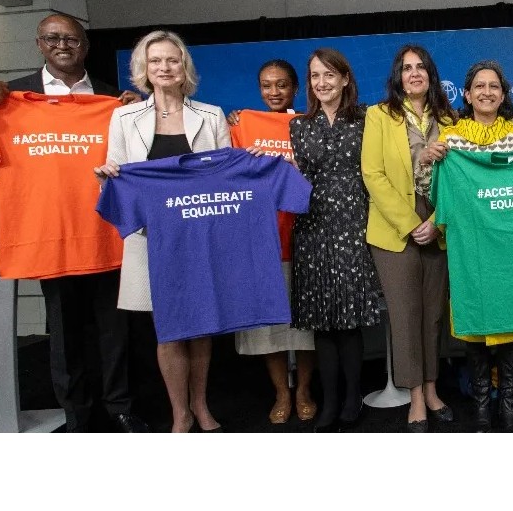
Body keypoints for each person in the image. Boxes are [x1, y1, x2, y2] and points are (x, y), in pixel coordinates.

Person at [0, 12, 147, 433]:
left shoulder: (112, 100)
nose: (63, 45)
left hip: (106, 234)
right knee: (63, 333)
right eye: (53, 38)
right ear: (39, 44)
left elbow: (142, 158)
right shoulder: (11, 99)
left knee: (117, 330)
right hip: (49, 234)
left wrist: (139, 114)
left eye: (72, 39)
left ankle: (121, 407)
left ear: (85, 45)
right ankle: (77, 415)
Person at [92, 30, 231, 433]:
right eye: (156, 61)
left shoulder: (211, 115)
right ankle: (180, 413)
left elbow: (224, 178)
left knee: (202, 326)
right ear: (144, 69)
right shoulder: (123, 116)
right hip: (151, 241)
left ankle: (201, 405)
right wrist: (106, 177)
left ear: (183, 66)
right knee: (168, 329)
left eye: (172, 60)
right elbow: (115, 175)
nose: (164, 68)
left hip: (201, 238)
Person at [422, 60, 513, 432]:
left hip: (510, 246)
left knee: (510, 323)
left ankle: (507, 408)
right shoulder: (450, 138)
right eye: (479, 86)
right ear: (467, 94)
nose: (487, 92)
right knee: (473, 323)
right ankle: (482, 410)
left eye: (494, 87)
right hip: (468, 246)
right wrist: (428, 158)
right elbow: (432, 189)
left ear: (503, 95)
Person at [361, 44, 457, 432]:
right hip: (393, 228)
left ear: (431, 74)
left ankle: (433, 389)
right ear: (397, 76)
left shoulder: (451, 119)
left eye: (420, 67)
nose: (414, 73)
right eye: (406, 68)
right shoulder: (379, 115)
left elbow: (461, 177)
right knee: (405, 317)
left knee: (434, 315)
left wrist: (436, 220)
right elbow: (373, 174)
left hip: (440, 221)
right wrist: (409, 223)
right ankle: (415, 396)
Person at [291, 48, 384, 433]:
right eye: (315, 76)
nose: (322, 82)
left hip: (354, 225)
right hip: (312, 228)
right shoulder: (299, 125)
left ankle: (352, 399)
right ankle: (329, 403)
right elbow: (299, 174)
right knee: (321, 323)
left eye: (330, 75)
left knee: (348, 322)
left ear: (345, 78)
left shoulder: (368, 119)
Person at [228, 60, 318, 425]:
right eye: (267, 85)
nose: (274, 92)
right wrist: (235, 124)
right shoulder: (242, 125)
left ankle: (304, 392)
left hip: (306, 236)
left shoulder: (309, 125)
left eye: (282, 85)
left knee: (307, 327)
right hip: (261, 239)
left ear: (296, 88)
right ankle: (281, 393)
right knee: (268, 330)